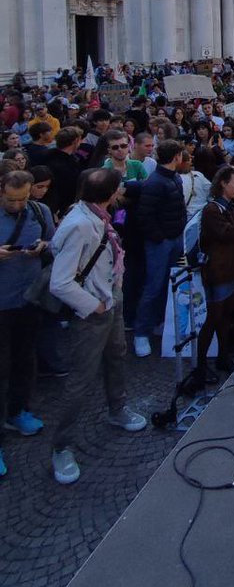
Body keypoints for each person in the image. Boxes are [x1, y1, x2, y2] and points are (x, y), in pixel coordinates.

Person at [48, 168, 147, 486]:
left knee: (117, 355)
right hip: (93, 309)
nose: (122, 193)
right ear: (110, 193)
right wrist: (95, 304)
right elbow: (60, 282)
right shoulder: (80, 225)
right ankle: (61, 447)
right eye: (118, 189)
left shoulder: (93, 214)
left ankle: (117, 408)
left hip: (109, 298)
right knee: (80, 379)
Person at [186, 166, 234, 386]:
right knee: (213, 318)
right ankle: (200, 367)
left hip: (233, 269)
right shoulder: (212, 210)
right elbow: (228, 234)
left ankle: (222, 357)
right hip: (218, 272)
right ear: (223, 183)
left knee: (226, 316)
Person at [0, 170, 55, 478]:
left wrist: (42, 246)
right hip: (2, 302)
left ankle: (18, 410)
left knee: (24, 359)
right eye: (12, 200)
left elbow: (52, 240)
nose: (18, 205)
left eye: (22, 199)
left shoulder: (38, 209)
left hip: (29, 297)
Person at [132, 139, 187, 357]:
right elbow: (145, 216)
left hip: (173, 237)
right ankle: (141, 332)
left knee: (170, 283)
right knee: (154, 286)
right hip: (162, 241)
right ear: (176, 157)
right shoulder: (156, 182)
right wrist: (160, 237)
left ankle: (160, 322)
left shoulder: (171, 177)